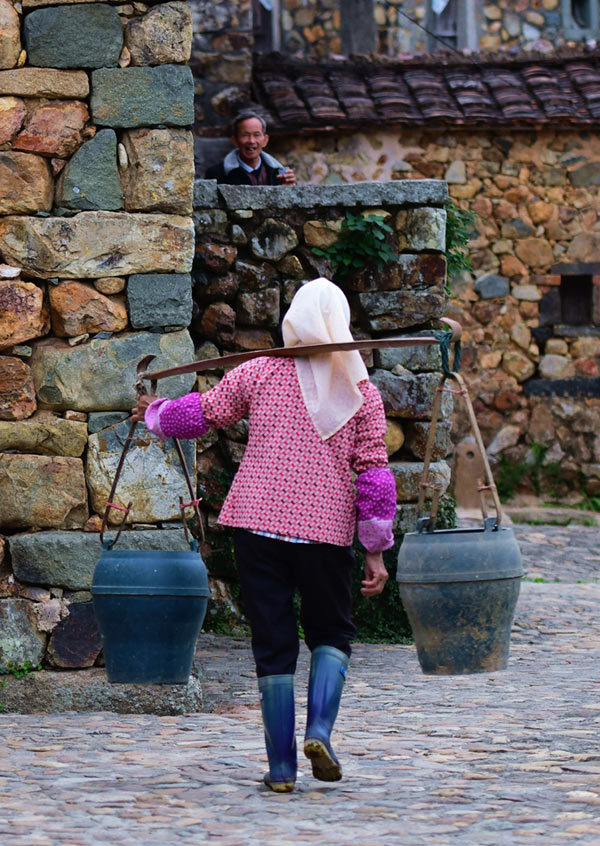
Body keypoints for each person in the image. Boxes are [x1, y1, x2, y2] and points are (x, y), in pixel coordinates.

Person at [131, 278, 396, 793]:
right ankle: (318, 730)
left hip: (256, 524)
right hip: (324, 531)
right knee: (331, 633)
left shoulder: (259, 372)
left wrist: (154, 412)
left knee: (272, 646)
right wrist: (377, 551)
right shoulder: (362, 392)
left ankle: (280, 769)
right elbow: (375, 477)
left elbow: (202, 415)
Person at [205, 110, 296, 186]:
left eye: (256, 135)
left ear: (265, 140)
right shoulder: (216, 174)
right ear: (235, 140)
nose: (251, 141)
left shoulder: (279, 172)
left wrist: (292, 186)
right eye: (245, 135)